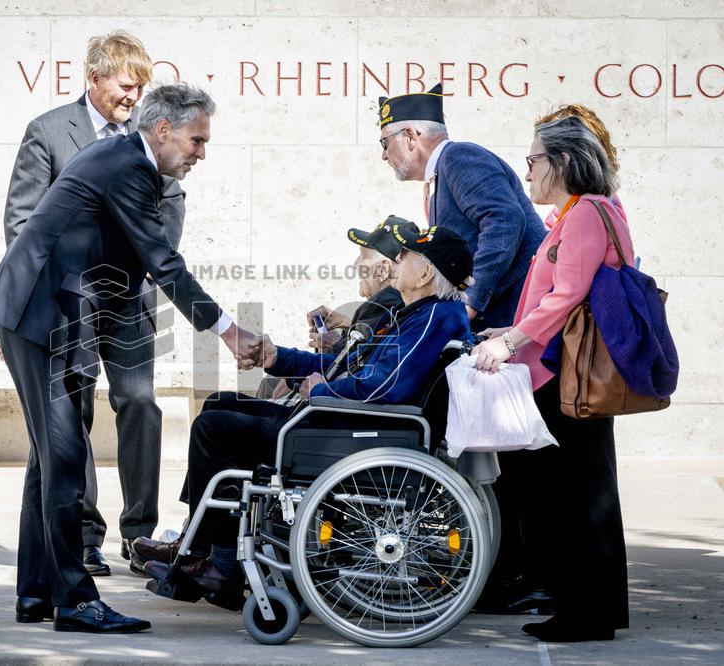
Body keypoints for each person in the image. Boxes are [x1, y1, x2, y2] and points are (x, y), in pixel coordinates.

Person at [0, 83, 260, 633]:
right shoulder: (128, 166)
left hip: (44, 314)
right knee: (62, 456)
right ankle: (76, 601)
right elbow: (163, 262)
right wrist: (228, 331)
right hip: (44, 317)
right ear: (163, 130)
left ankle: (37, 593)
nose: (200, 153)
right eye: (196, 140)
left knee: (49, 458)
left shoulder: (124, 158)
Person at [140, 221, 476, 597]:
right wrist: (276, 358)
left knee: (216, 429)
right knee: (220, 403)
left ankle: (218, 564)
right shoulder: (415, 314)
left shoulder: (433, 316)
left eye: (407, 256)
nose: (397, 260)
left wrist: (325, 389)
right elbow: (347, 366)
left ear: (426, 272)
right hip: (345, 421)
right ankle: (200, 544)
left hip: (353, 432)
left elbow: (385, 386)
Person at [2, 31, 185, 577]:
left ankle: (140, 534)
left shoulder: (151, 135)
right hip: (65, 304)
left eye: (140, 89)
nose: (133, 98)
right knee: (70, 416)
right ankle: (82, 536)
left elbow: (171, 201)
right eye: (127, 87)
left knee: (139, 402)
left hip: (129, 298)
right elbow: (21, 223)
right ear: (96, 77)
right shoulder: (49, 132)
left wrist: (149, 254)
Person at [471, 115, 632, 642]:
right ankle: (594, 608)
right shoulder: (593, 210)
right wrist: (512, 327)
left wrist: (510, 343)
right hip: (568, 369)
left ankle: (584, 613)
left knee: (571, 494)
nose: (528, 171)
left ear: (562, 162)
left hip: (564, 375)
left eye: (534, 159)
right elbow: (557, 296)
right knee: (587, 491)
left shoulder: (585, 213)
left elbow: (567, 296)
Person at [377, 84, 545, 330]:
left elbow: (504, 220)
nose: (383, 155)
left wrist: (470, 302)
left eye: (384, 143)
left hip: (514, 308)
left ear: (411, 136)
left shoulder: (458, 157)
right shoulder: (441, 172)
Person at [255, 222, 405, 400]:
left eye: (362, 257)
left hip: (336, 404)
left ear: (383, 269)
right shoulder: (392, 305)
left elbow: (358, 367)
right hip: (336, 392)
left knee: (264, 389)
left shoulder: (385, 305)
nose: (355, 264)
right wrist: (344, 326)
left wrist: (297, 379)